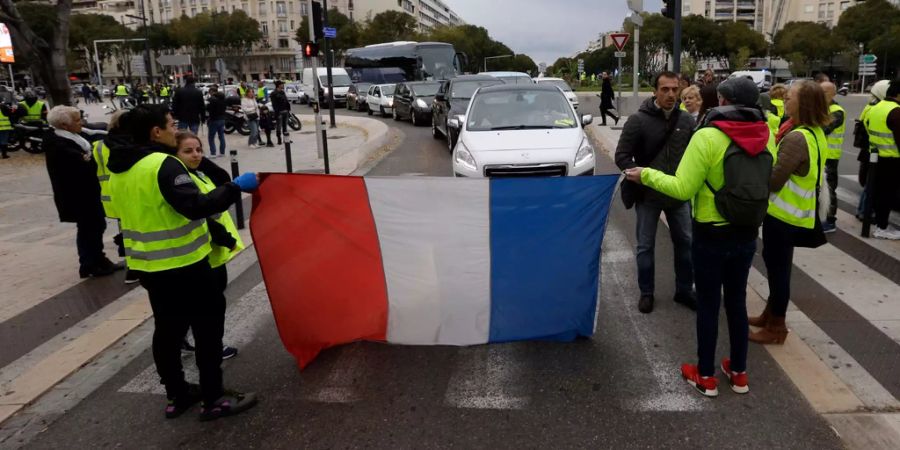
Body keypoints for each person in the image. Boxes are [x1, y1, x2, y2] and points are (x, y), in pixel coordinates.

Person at [625, 77, 776, 397]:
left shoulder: (708, 136)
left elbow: (682, 188)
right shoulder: (768, 135)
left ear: (724, 102)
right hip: (747, 232)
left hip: (711, 232)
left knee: (708, 305)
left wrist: (646, 174)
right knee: (735, 302)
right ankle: (738, 373)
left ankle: (705, 375)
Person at [106, 104, 258, 421]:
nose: (176, 131)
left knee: (168, 332)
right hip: (186, 265)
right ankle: (213, 399)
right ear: (155, 132)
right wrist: (235, 187)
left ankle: (177, 394)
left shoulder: (119, 169)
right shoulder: (164, 164)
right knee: (206, 332)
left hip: (149, 268)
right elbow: (196, 206)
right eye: (171, 125)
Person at [750, 80, 831, 344]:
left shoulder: (797, 138)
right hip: (797, 214)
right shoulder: (814, 132)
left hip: (783, 217)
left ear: (803, 104)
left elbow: (774, 180)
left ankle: (777, 327)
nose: (785, 100)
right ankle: (769, 315)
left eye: (790, 97)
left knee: (778, 272)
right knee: (778, 267)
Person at [615, 71, 697, 314]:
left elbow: (695, 156)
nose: (671, 94)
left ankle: (684, 290)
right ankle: (646, 292)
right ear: (655, 92)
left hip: (678, 194)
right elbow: (621, 155)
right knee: (645, 246)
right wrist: (637, 175)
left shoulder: (686, 122)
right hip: (648, 196)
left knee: (685, 243)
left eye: (675, 89)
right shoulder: (638, 120)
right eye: (665, 89)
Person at [172, 131, 241, 360]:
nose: (196, 155)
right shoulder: (182, 180)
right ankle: (212, 348)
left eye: (199, 150)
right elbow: (204, 214)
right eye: (188, 151)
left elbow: (221, 178)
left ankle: (181, 339)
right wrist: (227, 239)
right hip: (205, 251)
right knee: (210, 308)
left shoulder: (197, 172)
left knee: (194, 305)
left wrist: (198, 160)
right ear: (174, 154)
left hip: (210, 251)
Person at [44, 105, 124, 278]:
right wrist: (88, 160)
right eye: (77, 120)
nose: (82, 123)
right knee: (90, 227)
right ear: (65, 125)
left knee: (96, 226)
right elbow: (82, 165)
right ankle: (89, 263)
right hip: (77, 196)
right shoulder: (59, 144)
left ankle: (98, 259)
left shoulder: (72, 138)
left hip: (87, 193)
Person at [92, 110, 140, 284]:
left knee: (126, 231)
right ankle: (134, 269)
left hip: (110, 197)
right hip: (130, 194)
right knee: (136, 232)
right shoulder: (133, 144)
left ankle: (131, 265)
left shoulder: (98, 146)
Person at [864, 78, 900, 240]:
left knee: (879, 194)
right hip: (892, 160)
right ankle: (882, 227)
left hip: (876, 158)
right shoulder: (896, 111)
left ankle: (880, 224)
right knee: (888, 195)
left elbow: (866, 126)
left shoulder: (876, 108)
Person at [856, 80, 891, 221]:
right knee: (872, 185)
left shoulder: (871, 106)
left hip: (871, 151)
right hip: (874, 152)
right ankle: (865, 212)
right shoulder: (878, 109)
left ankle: (863, 211)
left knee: (871, 184)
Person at [819, 81, 846, 234]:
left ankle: (830, 221)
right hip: (818, 154)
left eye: (825, 92)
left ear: (834, 94)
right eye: (820, 92)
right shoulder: (821, 109)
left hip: (830, 157)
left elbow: (824, 128)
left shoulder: (837, 111)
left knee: (829, 189)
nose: (822, 95)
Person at [206, 84, 227, 157]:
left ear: (211, 92)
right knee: (221, 136)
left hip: (214, 120)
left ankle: (213, 153)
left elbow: (208, 109)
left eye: (209, 92)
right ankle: (222, 152)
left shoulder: (211, 99)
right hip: (222, 119)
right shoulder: (223, 98)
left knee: (211, 137)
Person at [270, 80, 291, 145]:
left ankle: (286, 139)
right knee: (279, 127)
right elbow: (274, 105)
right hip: (279, 112)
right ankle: (279, 139)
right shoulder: (274, 93)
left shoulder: (282, 92)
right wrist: (277, 113)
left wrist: (288, 109)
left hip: (285, 111)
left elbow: (286, 101)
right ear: (278, 85)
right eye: (282, 84)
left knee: (285, 127)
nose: (283, 85)